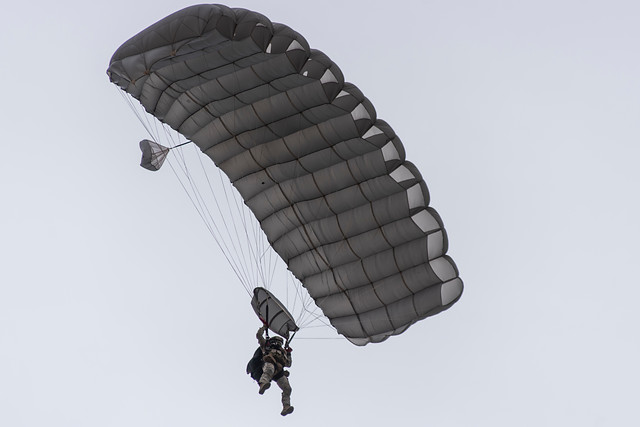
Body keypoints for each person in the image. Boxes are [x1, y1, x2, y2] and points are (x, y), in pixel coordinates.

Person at [254, 324, 294, 416]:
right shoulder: (266, 346)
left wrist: (288, 354)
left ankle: (286, 406)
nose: (277, 343)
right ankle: (262, 384)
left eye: (279, 342)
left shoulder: (283, 352)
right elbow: (258, 335)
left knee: (287, 388)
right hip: (268, 364)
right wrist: (264, 327)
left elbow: (288, 364)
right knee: (269, 370)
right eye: (276, 341)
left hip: (279, 371)